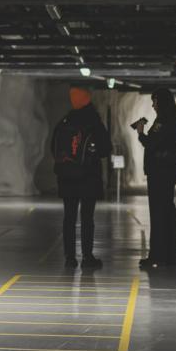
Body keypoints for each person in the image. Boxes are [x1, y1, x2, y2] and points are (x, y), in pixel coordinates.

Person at [51, 86, 112, 270]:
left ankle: (70, 258)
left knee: (68, 218)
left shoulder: (64, 121)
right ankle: (87, 258)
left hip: (67, 178)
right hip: (88, 178)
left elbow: (53, 148)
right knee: (87, 218)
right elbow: (105, 149)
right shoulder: (93, 121)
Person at [131, 88, 176, 269]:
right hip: (166, 170)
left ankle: (158, 257)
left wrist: (140, 133)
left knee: (159, 214)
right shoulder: (173, 120)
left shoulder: (163, 121)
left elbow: (152, 143)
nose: (153, 105)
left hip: (161, 171)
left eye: (155, 102)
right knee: (166, 212)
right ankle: (169, 256)